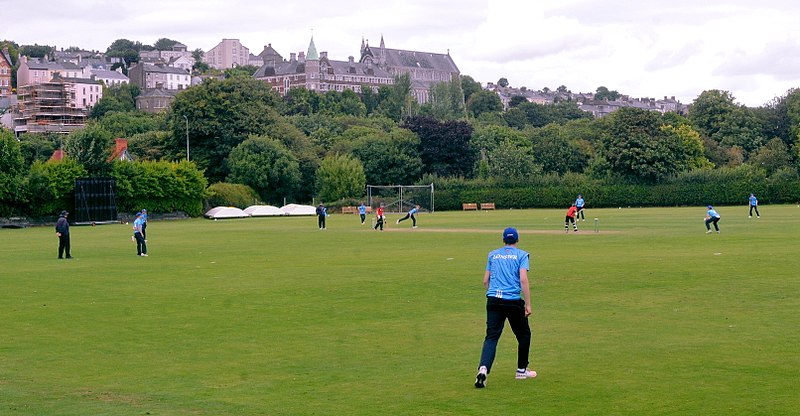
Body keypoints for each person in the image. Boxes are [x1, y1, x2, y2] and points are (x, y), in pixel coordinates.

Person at [475, 227, 537, 388]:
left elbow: (485, 281)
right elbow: (523, 279)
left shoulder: (493, 254)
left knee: (491, 337)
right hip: (513, 301)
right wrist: (528, 303)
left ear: (503, 240)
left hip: (494, 299)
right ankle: (521, 370)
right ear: (517, 240)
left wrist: (493, 293)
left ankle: (483, 369)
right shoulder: (522, 255)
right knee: (523, 334)